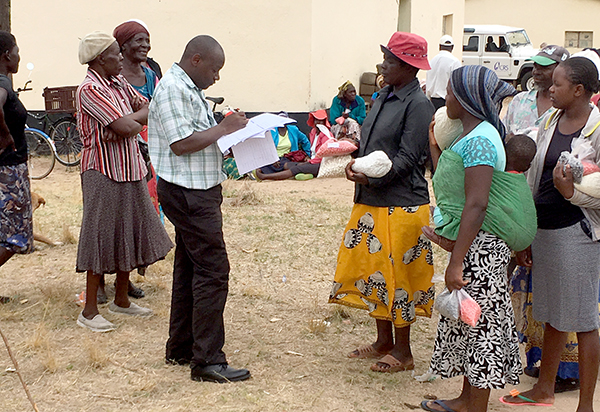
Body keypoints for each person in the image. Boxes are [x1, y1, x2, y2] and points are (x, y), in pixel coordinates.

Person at [329, 32, 435, 374]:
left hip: (401, 205)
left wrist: (371, 177)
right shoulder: (384, 95)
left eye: (389, 61)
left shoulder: (418, 105)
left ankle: (403, 351)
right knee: (375, 274)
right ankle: (383, 342)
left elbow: (408, 159)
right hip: (373, 201)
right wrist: (353, 161)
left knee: (398, 276)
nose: (383, 65)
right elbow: (372, 147)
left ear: (407, 67)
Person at [148, 35, 251, 383]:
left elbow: (194, 132)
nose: (217, 77)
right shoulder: (174, 89)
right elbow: (180, 144)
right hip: (189, 192)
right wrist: (223, 128)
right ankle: (208, 359)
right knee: (212, 270)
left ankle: (181, 346)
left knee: (190, 268)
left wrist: (226, 126)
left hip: (193, 189)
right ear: (195, 60)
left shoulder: (186, 87)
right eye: (214, 69)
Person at [422, 65, 523, 412]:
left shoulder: (480, 140)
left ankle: (475, 405)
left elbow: (477, 203)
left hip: (481, 248)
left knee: (481, 325)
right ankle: (467, 400)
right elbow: (455, 185)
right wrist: (435, 147)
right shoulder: (473, 135)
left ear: (465, 98)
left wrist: (456, 260)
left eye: (450, 91)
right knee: (471, 320)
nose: (445, 97)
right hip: (474, 244)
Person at [501, 57, 600, 410]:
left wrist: (571, 194)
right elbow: (531, 174)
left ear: (579, 90)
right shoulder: (550, 120)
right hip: (543, 229)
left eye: (557, 84)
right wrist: (525, 231)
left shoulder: (598, 129)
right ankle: (545, 388)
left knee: (584, 320)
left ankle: (585, 404)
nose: (550, 89)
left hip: (577, 233)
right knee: (553, 313)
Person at [75, 32, 173, 332]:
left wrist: (127, 123)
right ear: (101, 58)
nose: (121, 58)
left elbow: (148, 108)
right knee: (100, 235)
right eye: (116, 53)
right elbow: (127, 123)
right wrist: (126, 123)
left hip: (129, 166)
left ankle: (122, 298)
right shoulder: (89, 90)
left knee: (128, 230)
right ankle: (89, 311)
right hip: (102, 171)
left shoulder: (117, 83)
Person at [104, 19, 160, 301]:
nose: (145, 46)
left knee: (141, 215)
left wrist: (131, 122)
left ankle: (126, 281)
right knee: (110, 218)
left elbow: (157, 108)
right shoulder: (110, 76)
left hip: (148, 151)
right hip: (116, 152)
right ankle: (100, 280)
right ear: (122, 46)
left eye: (147, 40)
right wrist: (129, 123)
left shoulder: (151, 75)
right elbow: (114, 123)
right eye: (139, 40)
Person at [422, 133, 537, 252]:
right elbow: (525, 219)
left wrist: (434, 146)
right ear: (528, 167)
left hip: (471, 241)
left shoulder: (487, 173)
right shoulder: (519, 187)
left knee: (452, 210)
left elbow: (450, 183)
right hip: (497, 251)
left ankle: (447, 234)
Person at [0, 31, 33, 303]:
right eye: (17, 50)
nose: (19, 56)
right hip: (8, 172)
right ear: (6, 55)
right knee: (16, 236)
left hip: (8, 168)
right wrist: (5, 134)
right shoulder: (2, 82)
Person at [504, 45, 569, 139]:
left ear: (561, 71)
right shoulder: (519, 101)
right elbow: (503, 133)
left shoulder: (567, 107)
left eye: (544, 67)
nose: (536, 72)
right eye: (535, 66)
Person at [254, 109, 332, 181]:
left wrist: (309, 158)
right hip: (276, 159)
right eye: (316, 121)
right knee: (284, 165)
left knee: (295, 167)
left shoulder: (326, 135)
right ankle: (306, 174)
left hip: (293, 158)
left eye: (320, 121)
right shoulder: (313, 133)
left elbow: (306, 142)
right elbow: (266, 147)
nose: (318, 123)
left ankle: (265, 176)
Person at [254, 115, 311, 179]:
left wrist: (309, 154)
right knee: (266, 166)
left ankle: (268, 176)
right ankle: (290, 174)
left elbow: (304, 140)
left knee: (287, 165)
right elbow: (265, 146)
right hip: (274, 160)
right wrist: (272, 159)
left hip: (288, 158)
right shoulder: (271, 131)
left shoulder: (294, 129)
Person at [426, 35, 461, 111]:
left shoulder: (432, 61)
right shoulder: (455, 62)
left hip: (432, 101)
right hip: (446, 102)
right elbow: (457, 84)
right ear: (452, 47)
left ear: (439, 46)